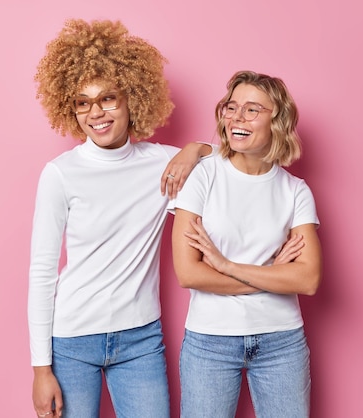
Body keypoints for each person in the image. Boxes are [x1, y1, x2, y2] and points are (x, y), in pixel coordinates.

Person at [28, 19, 212, 418]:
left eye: (108, 98)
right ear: (69, 107)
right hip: (73, 342)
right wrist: (41, 368)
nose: (96, 112)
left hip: (141, 341)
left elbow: (233, 157)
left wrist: (195, 149)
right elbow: (42, 272)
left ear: (133, 97)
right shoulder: (60, 173)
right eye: (82, 101)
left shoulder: (163, 163)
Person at [171, 70, 322, 417]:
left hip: (281, 341)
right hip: (210, 340)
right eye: (232, 106)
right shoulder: (202, 176)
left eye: (252, 109)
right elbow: (189, 273)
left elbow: (308, 280)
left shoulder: (295, 191)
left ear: (278, 120)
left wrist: (225, 266)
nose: (237, 117)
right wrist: (272, 275)